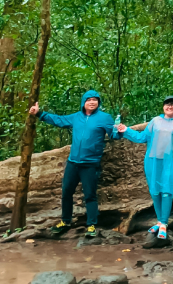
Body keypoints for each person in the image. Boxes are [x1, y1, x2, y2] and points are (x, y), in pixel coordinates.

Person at [116, 96, 173, 240]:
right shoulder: (155, 121)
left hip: (171, 161)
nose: (170, 106)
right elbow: (141, 137)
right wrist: (126, 130)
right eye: (167, 104)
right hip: (153, 160)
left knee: (167, 191)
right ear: (163, 107)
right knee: (155, 192)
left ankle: (164, 224)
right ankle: (159, 221)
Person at [28, 90, 117, 238]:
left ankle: (91, 225)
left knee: (90, 195)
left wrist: (120, 131)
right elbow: (59, 120)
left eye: (95, 100)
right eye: (89, 100)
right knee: (66, 192)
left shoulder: (104, 118)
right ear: (84, 102)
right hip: (73, 162)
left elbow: (113, 135)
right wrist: (39, 113)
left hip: (90, 164)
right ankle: (65, 221)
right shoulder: (77, 117)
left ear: (99, 103)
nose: (92, 102)